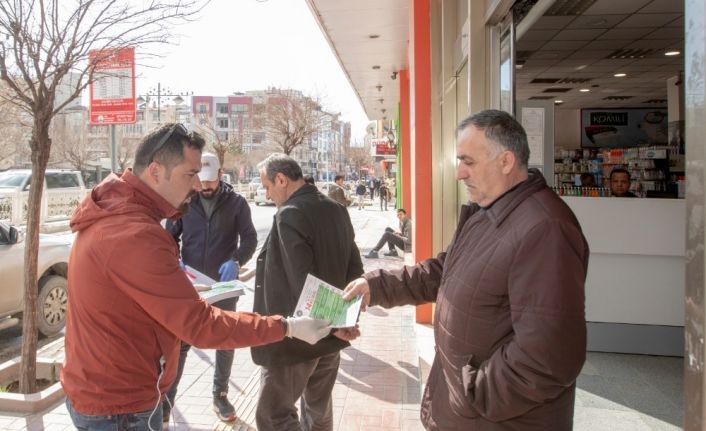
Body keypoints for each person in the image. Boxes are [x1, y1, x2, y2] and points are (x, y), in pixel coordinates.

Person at [61, 123, 332, 431]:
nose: (195, 185)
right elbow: (201, 326)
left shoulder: (120, 214)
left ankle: (218, 394)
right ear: (155, 171)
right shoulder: (134, 233)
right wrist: (287, 327)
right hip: (119, 404)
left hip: (108, 388)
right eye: (189, 175)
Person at [344, 110, 589, 430]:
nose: (459, 173)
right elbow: (446, 270)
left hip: (494, 418)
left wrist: (473, 393)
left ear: (506, 161)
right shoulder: (489, 211)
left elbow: (548, 358)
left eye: (468, 161)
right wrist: (376, 286)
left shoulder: (545, 228)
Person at [252, 153, 364, 431]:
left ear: (281, 179)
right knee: (318, 411)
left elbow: (301, 279)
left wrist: (333, 323)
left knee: (274, 416)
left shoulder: (290, 213)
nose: (267, 193)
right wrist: (342, 322)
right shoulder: (336, 208)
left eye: (267, 186)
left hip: (296, 338)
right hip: (331, 334)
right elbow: (355, 271)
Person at [162, 153, 257, 423]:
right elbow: (169, 236)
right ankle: (167, 400)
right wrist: (174, 260)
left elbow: (249, 238)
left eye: (210, 183)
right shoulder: (184, 201)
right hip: (190, 286)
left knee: (225, 340)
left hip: (223, 284)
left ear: (220, 177)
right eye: (201, 182)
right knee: (180, 344)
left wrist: (237, 261)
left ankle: (220, 394)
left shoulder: (237, 203)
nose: (205, 188)